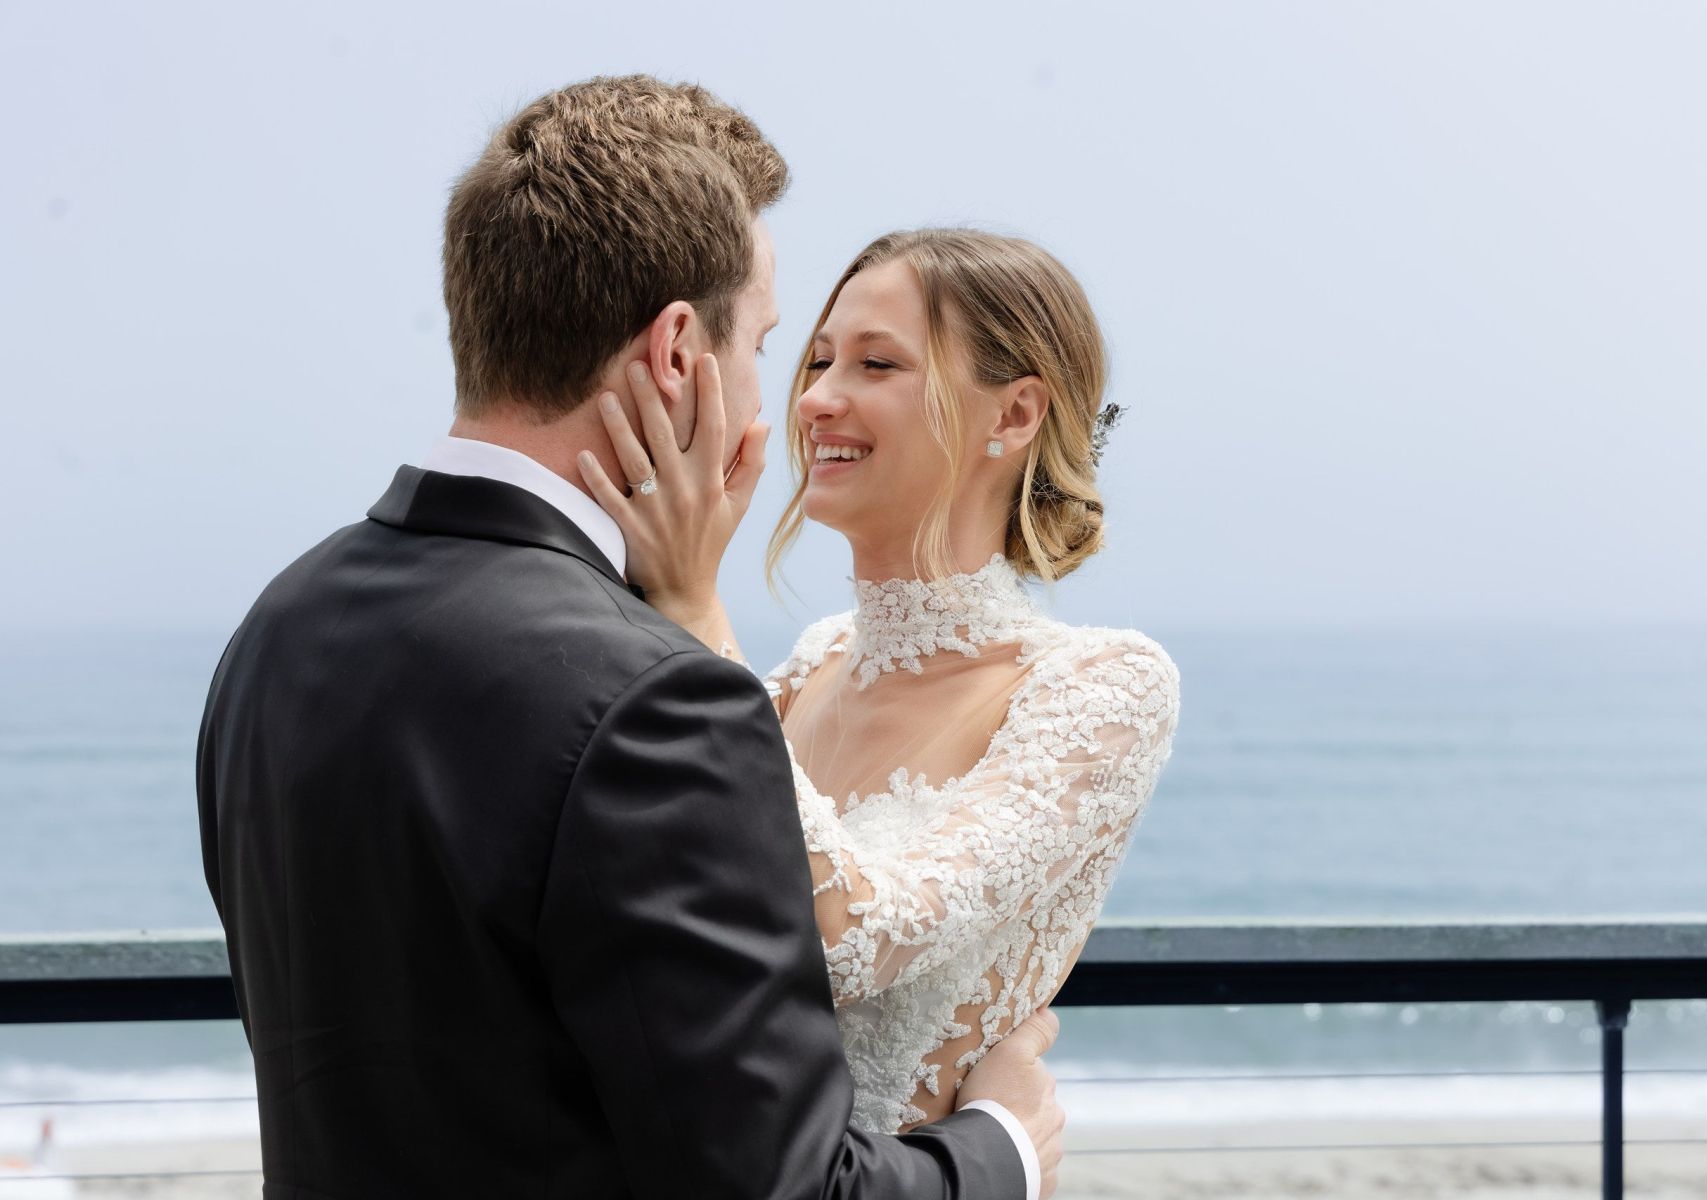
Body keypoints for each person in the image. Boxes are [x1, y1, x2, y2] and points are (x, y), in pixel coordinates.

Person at [196, 75, 1061, 1199]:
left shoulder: (281, 624)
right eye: (762, 343)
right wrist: (1001, 1147)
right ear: (675, 355)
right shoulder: (656, 698)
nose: (774, 403)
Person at [577, 228, 1182, 1135]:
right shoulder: (810, 666)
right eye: (817, 359)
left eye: (876, 364)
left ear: (1014, 417)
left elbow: (859, 938)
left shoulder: (1104, 688)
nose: (817, 399)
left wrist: (697, 614)